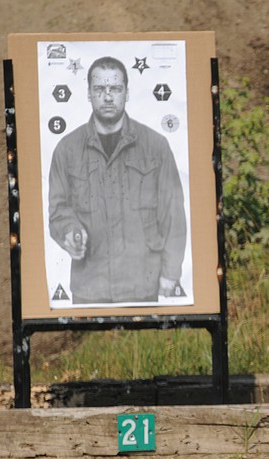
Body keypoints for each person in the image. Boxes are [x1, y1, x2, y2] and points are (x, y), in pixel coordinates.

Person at [48, 56, 187, 305]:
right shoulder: (66, 150)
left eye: (115, 89)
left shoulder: (155, 146)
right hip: (89, 287)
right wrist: (70, 232)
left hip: (143, 284)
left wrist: (171, 272)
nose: (108, 96)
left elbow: (173, 213)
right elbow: (58, 210)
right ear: (89, 94)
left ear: (127, 93)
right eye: (100, 89)